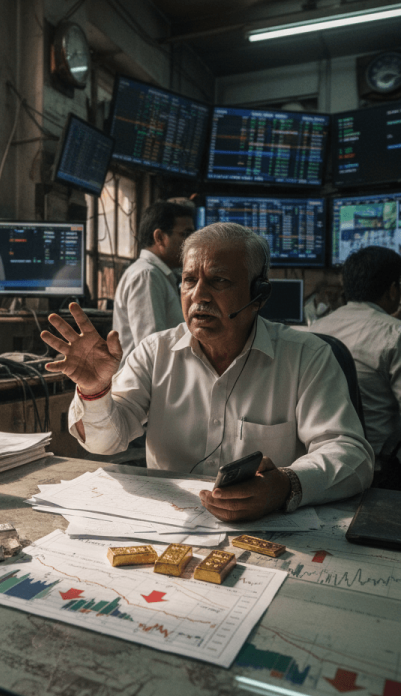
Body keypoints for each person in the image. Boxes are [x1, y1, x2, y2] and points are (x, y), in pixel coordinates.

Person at [41, 222, 373, 523]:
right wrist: (96, 392)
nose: (198, 295)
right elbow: (106, 442)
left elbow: (350, 454)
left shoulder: (306, 356)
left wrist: (287, 484)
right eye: (188, 280)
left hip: (270, 528)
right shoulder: (154, 352)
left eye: (219, 281)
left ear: (259, 296)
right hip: (172, 525)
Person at [309, 246, 401, 456]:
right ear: (393, 289)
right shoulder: (396, 332)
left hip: (324, 457)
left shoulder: (316, 328)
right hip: (378, 460)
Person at [112, 201, 195, 362]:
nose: (191, 243)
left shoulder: (158, 274)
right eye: (186, 234)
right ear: (159, 237)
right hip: (147, 384)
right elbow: (153, 349)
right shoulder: (146, 275)